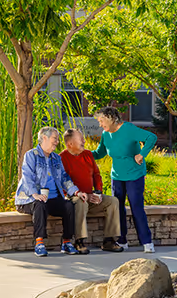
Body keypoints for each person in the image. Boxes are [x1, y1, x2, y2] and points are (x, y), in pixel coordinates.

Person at [92, 106, 158, 253]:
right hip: (116, 176)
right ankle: (122, 240)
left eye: (102, 121)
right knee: (118, 209)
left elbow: (151, 138)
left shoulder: (128, 129)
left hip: (134, 174)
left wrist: (142, 154)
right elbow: (99, 153)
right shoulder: (106, 134)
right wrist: (80, 153)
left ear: (111, 119)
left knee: (136, 207)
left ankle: (147, 242)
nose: (100, 125)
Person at [15, 126, 87, 257]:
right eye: (55, 138)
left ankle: (66, 242)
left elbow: (64, 177)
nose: (57, 142)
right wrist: (35, 194)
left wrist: (76, 192)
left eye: (57, 139)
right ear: (44, 138)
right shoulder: (31, 155)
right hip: (30, 199)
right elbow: (27, 177)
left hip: (53, 199)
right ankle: (39, 243)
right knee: (40, 204)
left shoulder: (56, 158)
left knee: (69, 205)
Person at [60, 129, 124, 254]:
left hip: (91, 197)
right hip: (73, 198)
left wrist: (98, 193)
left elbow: (96, 175)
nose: (84, 141)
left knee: (113, 201)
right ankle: (79, 241)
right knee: (81, 201)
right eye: (80, 139)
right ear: (70, 144)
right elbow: (63, 183)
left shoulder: (88, 154)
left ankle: (109, 241)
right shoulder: (62, 158)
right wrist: (82, 195)